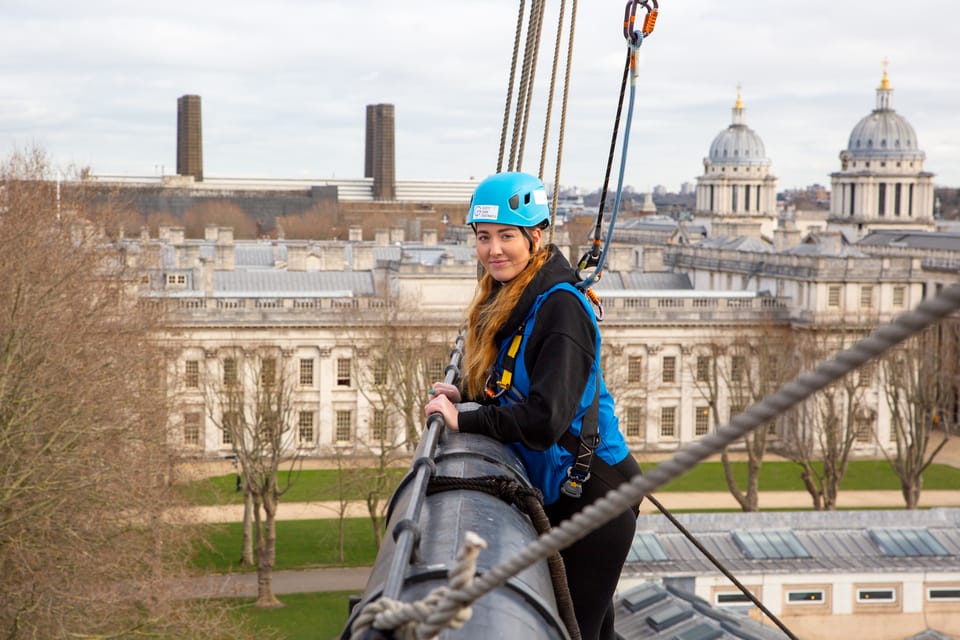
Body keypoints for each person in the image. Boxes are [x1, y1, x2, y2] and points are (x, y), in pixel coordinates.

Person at [424, 171, 641, 640]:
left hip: (594, 496)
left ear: (536, 236)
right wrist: (472, 396)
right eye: (484, 238)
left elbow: (545, 419)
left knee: (572, 632)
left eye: (507, 236)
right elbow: (518, 384)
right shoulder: (516, 296)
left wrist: (466, 417)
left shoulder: (559, 307)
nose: (493, 250)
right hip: (569, 490)